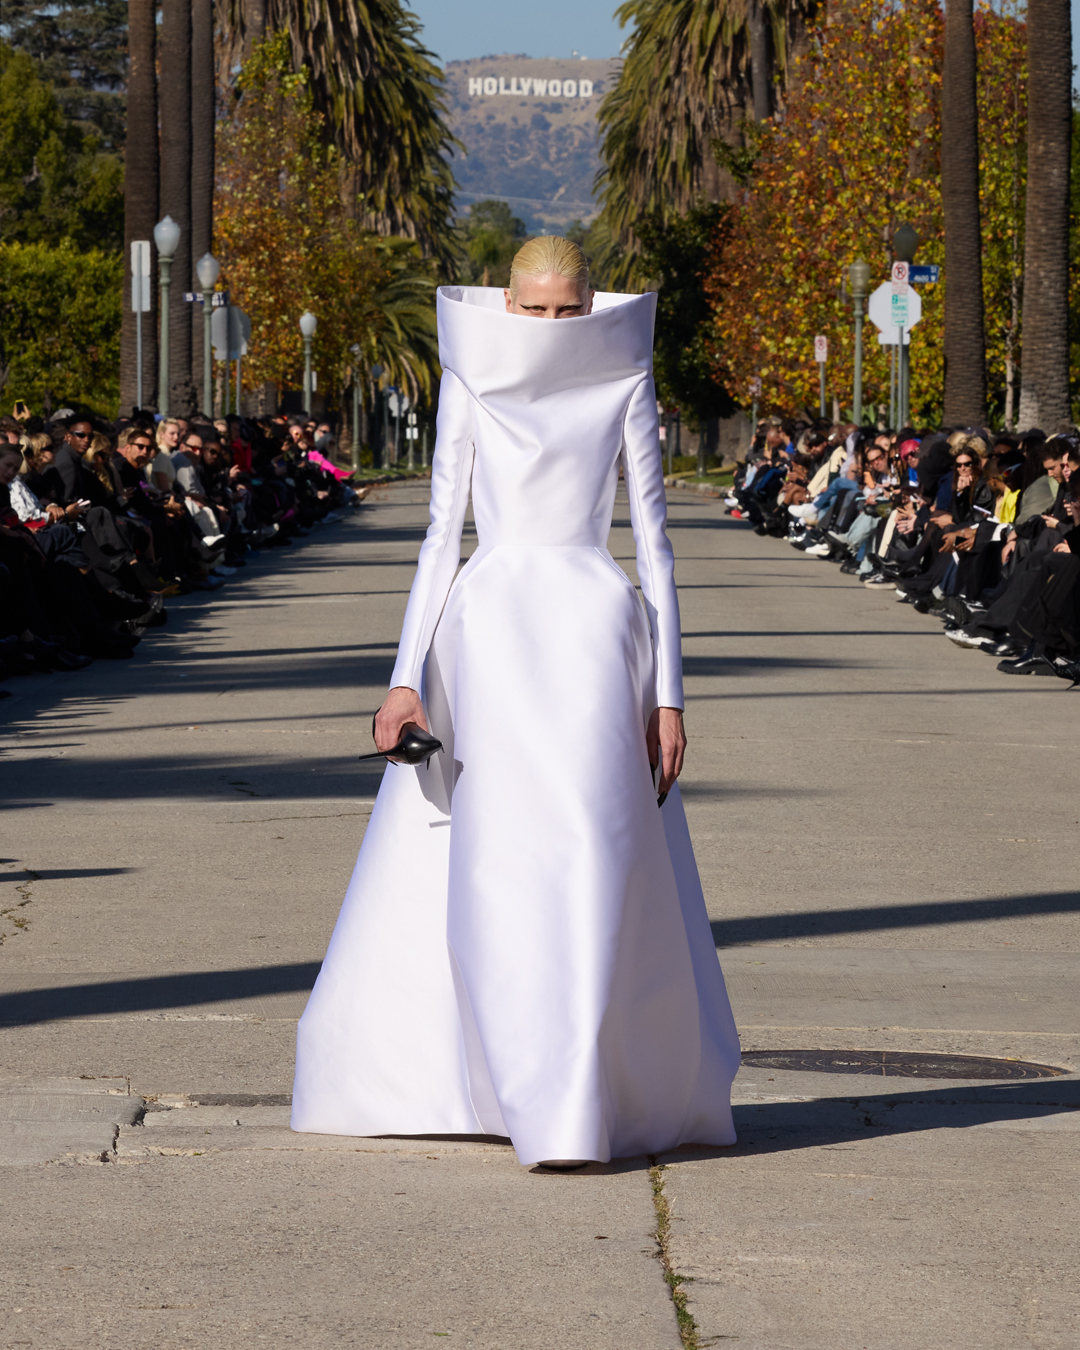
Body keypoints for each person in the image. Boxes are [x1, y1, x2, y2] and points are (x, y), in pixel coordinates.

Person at [292, 236, 741, 1169]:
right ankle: (497, 1080)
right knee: (489, 856)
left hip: (590, 629)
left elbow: (654, 543)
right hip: (488, 628)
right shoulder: (472, 379)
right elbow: (438, 538)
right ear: (504, 304)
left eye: (564, 309)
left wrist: (670, 695)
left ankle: (574, 1096)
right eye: (530, 309)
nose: (546, 327)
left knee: (591, 848)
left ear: (591, 303)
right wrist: (405, 676)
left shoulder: (623, 377)